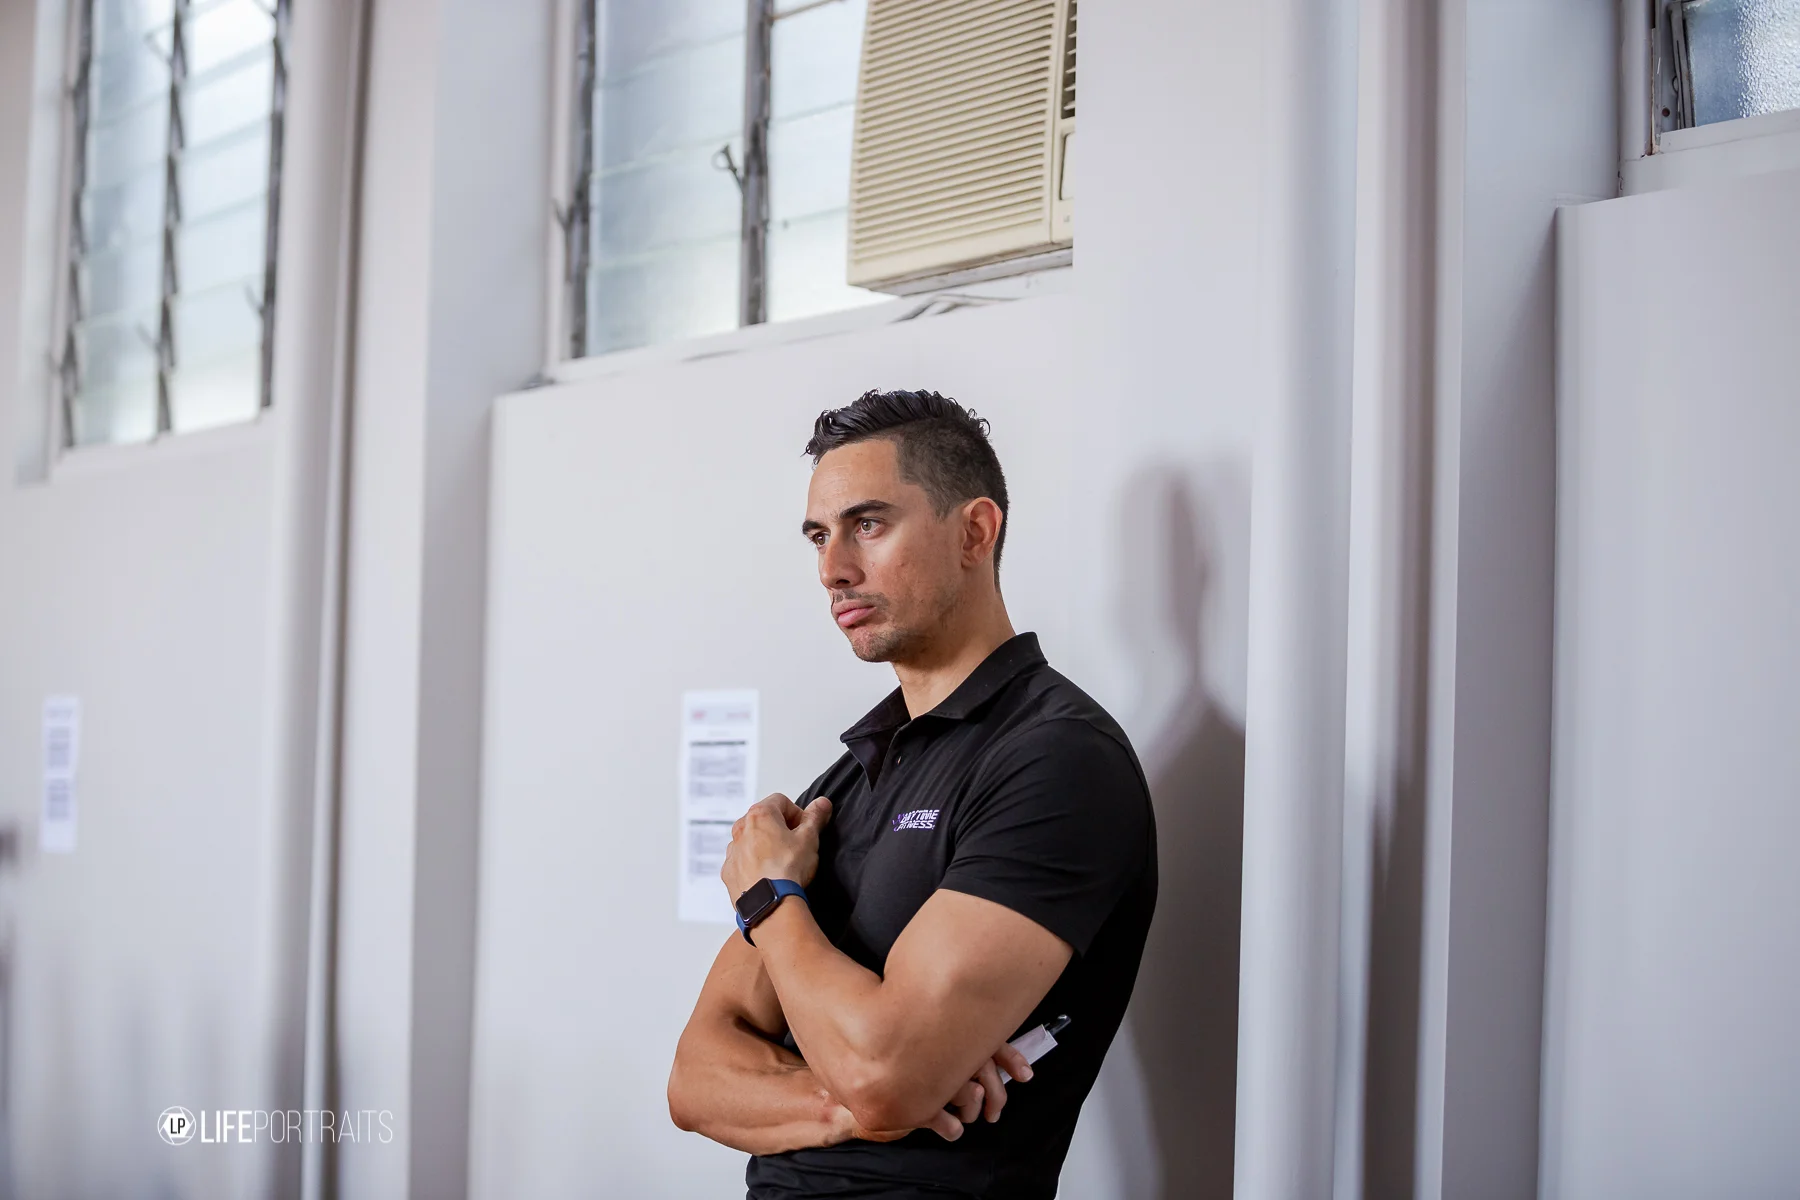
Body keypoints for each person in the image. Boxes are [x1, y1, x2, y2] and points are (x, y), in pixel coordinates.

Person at [667, 389, 1158, 1199]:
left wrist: (770, 897)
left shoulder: (1057, 759)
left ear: (975, 532)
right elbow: (694, 1081)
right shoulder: (847, 780)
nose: (832, 569)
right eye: (819, 536)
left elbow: (883, 1073)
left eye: (867, 524)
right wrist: (855, 1108)